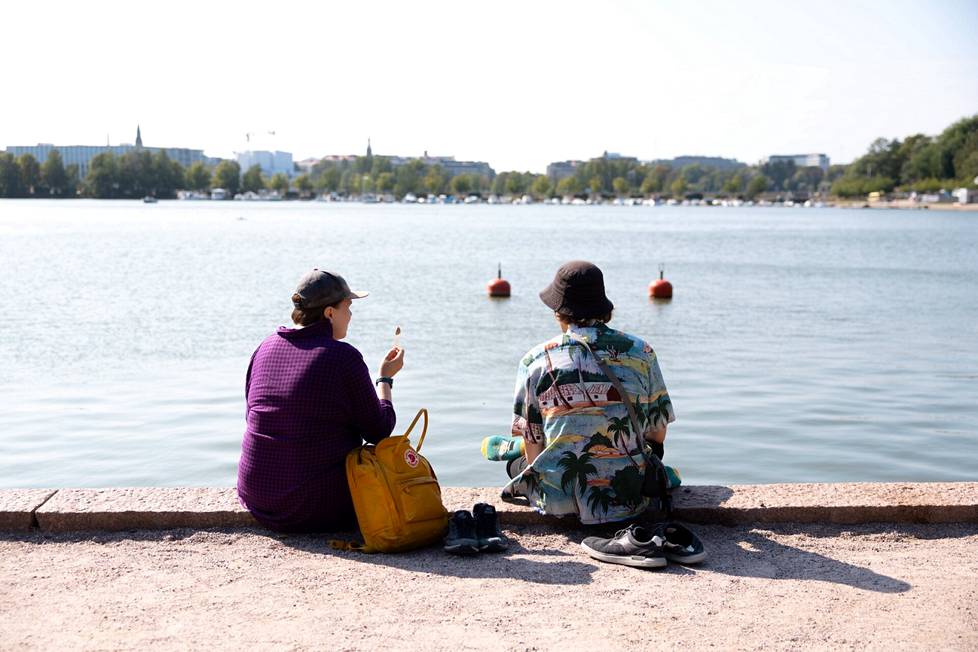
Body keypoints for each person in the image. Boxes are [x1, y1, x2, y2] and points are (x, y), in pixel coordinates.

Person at [501, 260, 676, 525]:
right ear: (604, 307)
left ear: (559, 311)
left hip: (556, 499)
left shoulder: (535, 360)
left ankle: (506, 450)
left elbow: (533, 447)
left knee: (516, 461)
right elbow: (657, 434)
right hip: (627, 498)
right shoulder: (642, 353)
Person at [237, 269, 404, 532]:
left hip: (258, 502)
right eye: (347, 306)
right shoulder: (342, 357)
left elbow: (254, 416)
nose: (351, 315)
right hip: (312, 508)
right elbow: (380, 431)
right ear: (329, 313)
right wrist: (385, 379)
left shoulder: (265, 347)